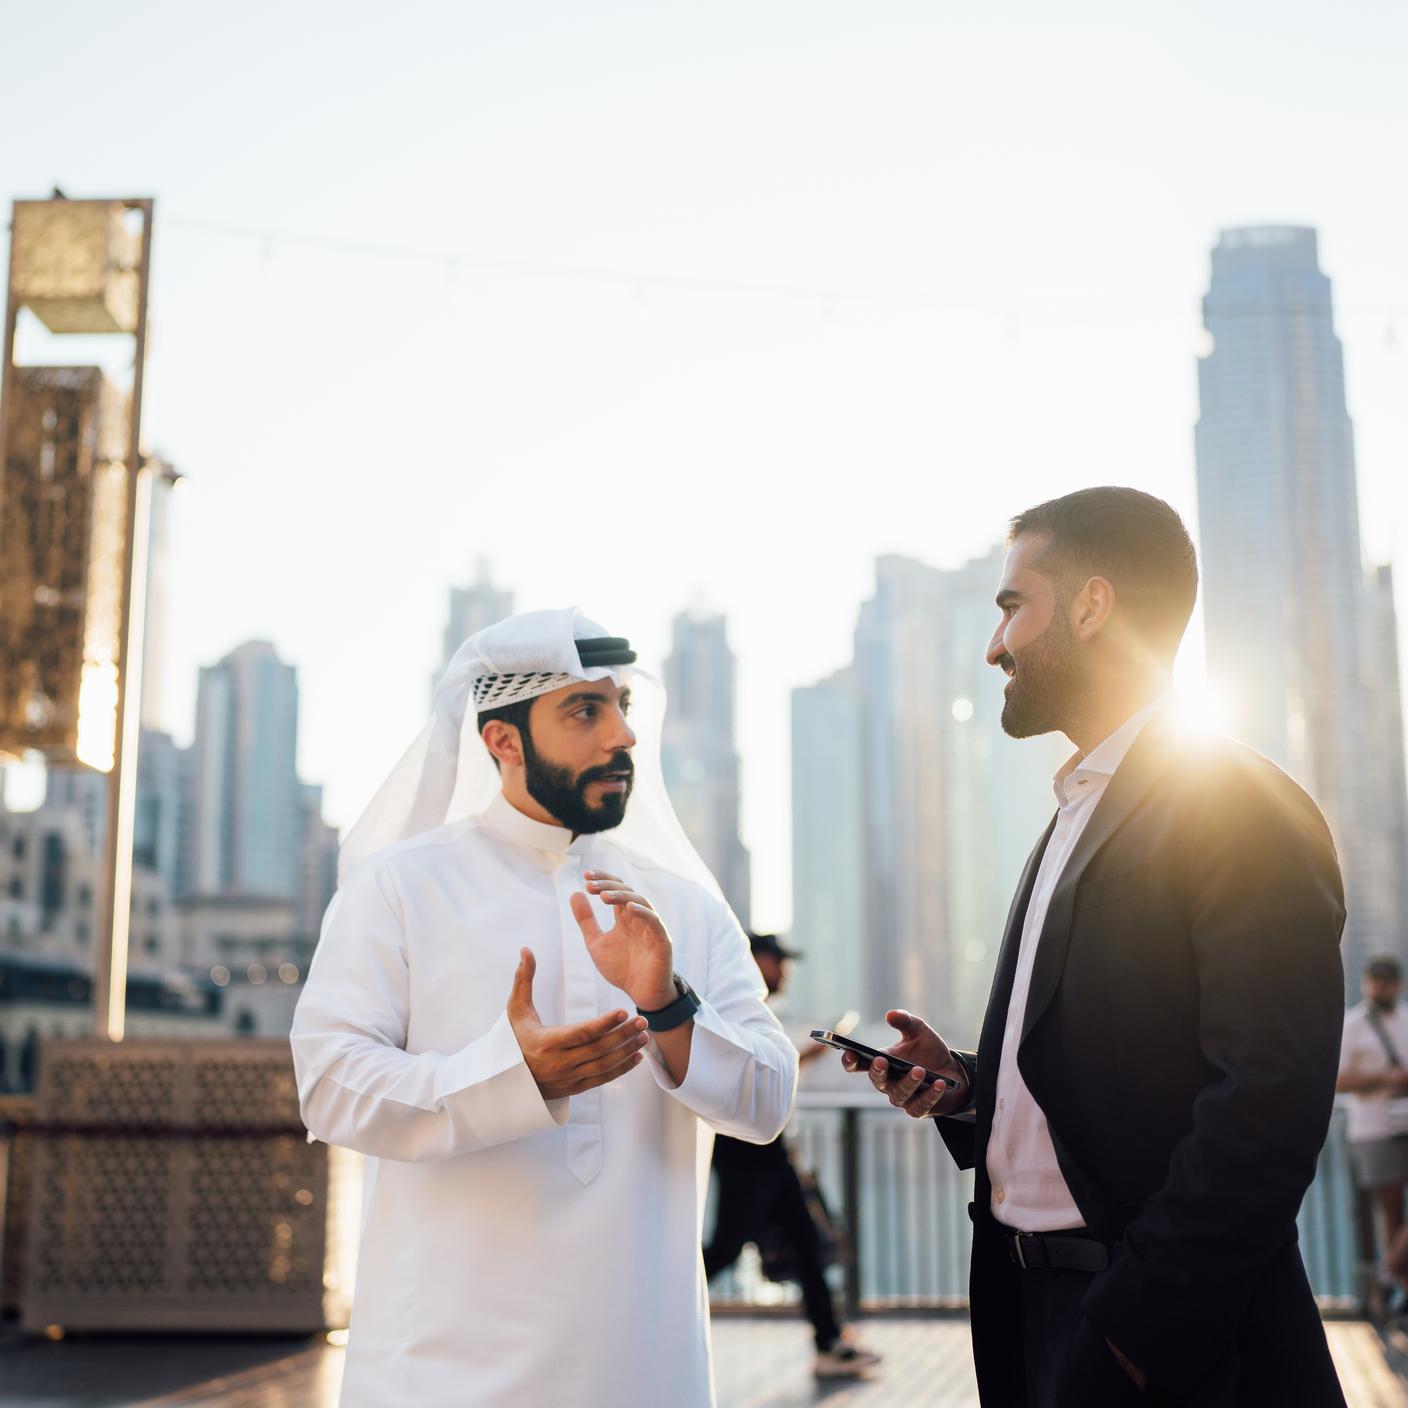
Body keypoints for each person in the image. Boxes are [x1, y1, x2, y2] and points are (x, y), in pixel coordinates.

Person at [837, 487, 1347, 1407]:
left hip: (1171, 1346)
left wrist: (1130, 1336)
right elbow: (1118, 1068)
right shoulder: (1074, 812)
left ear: (1092, 605)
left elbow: (1268, 1099)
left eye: (1011, 607)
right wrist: (966, 1088)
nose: (995, 646)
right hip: (1034, 1316)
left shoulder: (1237, 804)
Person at [291, 610, 798, 1408]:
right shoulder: (401, 887)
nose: (622, 736)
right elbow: (328, 1084)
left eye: (622, 706)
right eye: (584, 710)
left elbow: (767, 1102)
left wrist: (666, 1006)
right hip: (441, 1370)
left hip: (642, 1367)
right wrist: (511, 1075)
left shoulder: (686, 910)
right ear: (502, 740)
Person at [704, 932, 882, 1380]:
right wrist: (811, 1054)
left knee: (807, 1245)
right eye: (776, 961)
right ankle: (658, 1314)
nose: (783, 971)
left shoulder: (756, 1009)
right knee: (725, 1249)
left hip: (772, 1155)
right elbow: (746, 1075)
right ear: (753, 961)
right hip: (745, 1154)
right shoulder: (733, 1007)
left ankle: (830, 1342)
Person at [1337, 955, 1408, 1310]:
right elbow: (1336, 1081)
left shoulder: (1406, 1017)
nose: (1380, 987)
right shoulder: (1353, 1025)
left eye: (1387, 981)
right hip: (1374, 1131)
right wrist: (1385, 1079)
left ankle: (1384, 1277)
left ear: (1398, 984)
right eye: (1374, 981)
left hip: (1405, 1122)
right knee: (1391, 1217)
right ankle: (1400, 1296)